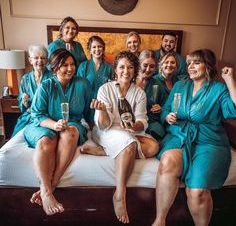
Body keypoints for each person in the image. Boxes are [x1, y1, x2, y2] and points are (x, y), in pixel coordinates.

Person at [152, 49, 236, 226]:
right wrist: (167, 117)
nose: (190, 67)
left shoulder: (218, 89)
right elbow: (166, 110)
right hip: (180, 136)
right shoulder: (180, 86)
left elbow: (234, 110)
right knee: (167, 161)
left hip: (208, 142)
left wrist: (230, 81)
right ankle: (160, 221)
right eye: (189, 63)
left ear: (208, 66)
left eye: (196, 63)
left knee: (196, 191)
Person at [82, 51, 159, 224]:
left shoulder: (139, 93)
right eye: (122, 67)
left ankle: (104, 152)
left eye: (130, 67)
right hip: (106, 131)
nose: (126, 71)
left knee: (153, 147)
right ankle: (120, 194)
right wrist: (101, 110)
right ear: (115, 70)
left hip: (130, 131)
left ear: (135, 70)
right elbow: (102, 125)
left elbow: (142, 120)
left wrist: (134, 126)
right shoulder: (105, 89)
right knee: (130, 144)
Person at [23, 48, 93, 216]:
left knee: (71, 132)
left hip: (71, 123)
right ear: (54, 67)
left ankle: (50, 187)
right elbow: (37, 114)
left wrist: (97, 132)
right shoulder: (47, 85)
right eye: (64, 65)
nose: (70, 68)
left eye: (72, 65)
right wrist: (54, 125)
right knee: (46, 140)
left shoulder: (82, 83)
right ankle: (46, 191)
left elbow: (90, 115)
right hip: (44, 123)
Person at [12, 45, 53, 137]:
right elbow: (22, 105)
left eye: (43, 58)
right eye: (36, 58)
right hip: (29, 116)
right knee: (16, 135)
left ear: (46, 60)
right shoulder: (25, 79)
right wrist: (24, 101)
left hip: (47, 116)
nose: (40, 61)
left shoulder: (53, 78)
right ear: (30, 60)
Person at [136, 50, 166, 140]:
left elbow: (166, 105)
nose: (148, 69)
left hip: (150, 122)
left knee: (158, 131)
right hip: (131, 120)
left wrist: (161, 108)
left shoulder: (158, 85)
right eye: (145, 65)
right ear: (139, 64)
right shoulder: (129, 81)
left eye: (152, 66)